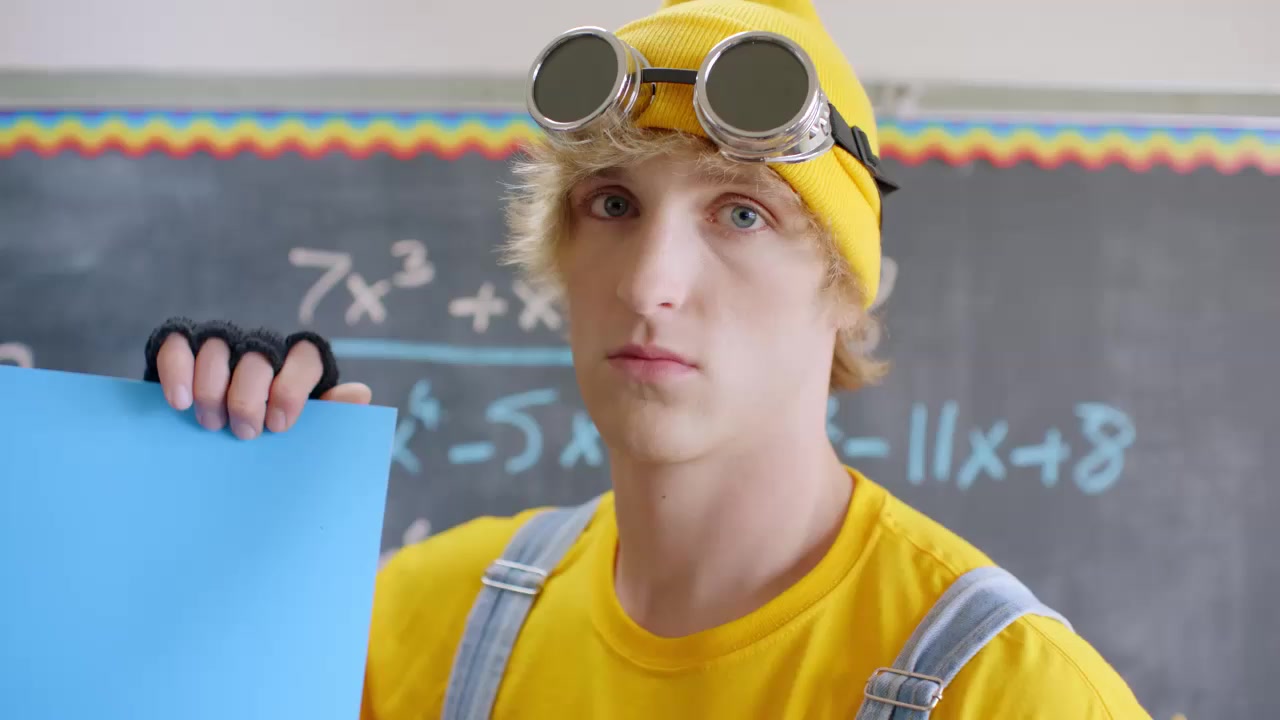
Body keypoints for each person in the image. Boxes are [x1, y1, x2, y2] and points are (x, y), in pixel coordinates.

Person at [142, 0, 1150, 717]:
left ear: (845, 287)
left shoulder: (1015, 693)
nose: (649, 284)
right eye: (613, 204)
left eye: (741, 213)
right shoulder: (410, 622)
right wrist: (184, 524)